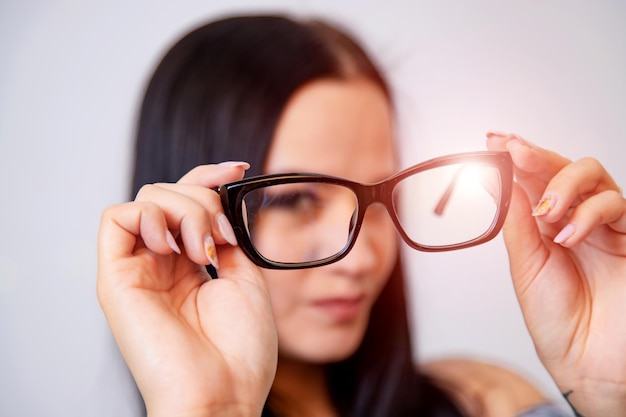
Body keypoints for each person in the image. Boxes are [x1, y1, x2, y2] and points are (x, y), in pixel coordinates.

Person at [96, 14, 626, 417]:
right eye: (296, 200)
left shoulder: (484, 402)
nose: (366, 258)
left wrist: (609, 392)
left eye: (379, 196)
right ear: (194, 220)